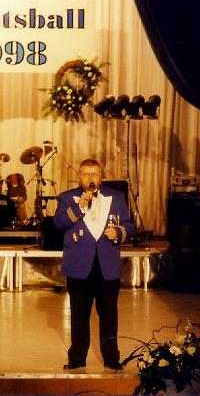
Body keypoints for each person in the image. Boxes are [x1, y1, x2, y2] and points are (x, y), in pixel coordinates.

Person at [53, 158, 135, 371]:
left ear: (101, 177)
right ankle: (77, 359)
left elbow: (129, 225)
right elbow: (58, 223)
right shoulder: (67, 197)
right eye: (86, 174)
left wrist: (119, 233)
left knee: (109, 315)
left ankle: (111, 359)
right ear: (79, 177)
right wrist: (78, 207)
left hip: (107, 266)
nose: (90, 178)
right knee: (79, 314)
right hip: (79, 266)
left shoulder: (116, 197)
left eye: (94, 174)